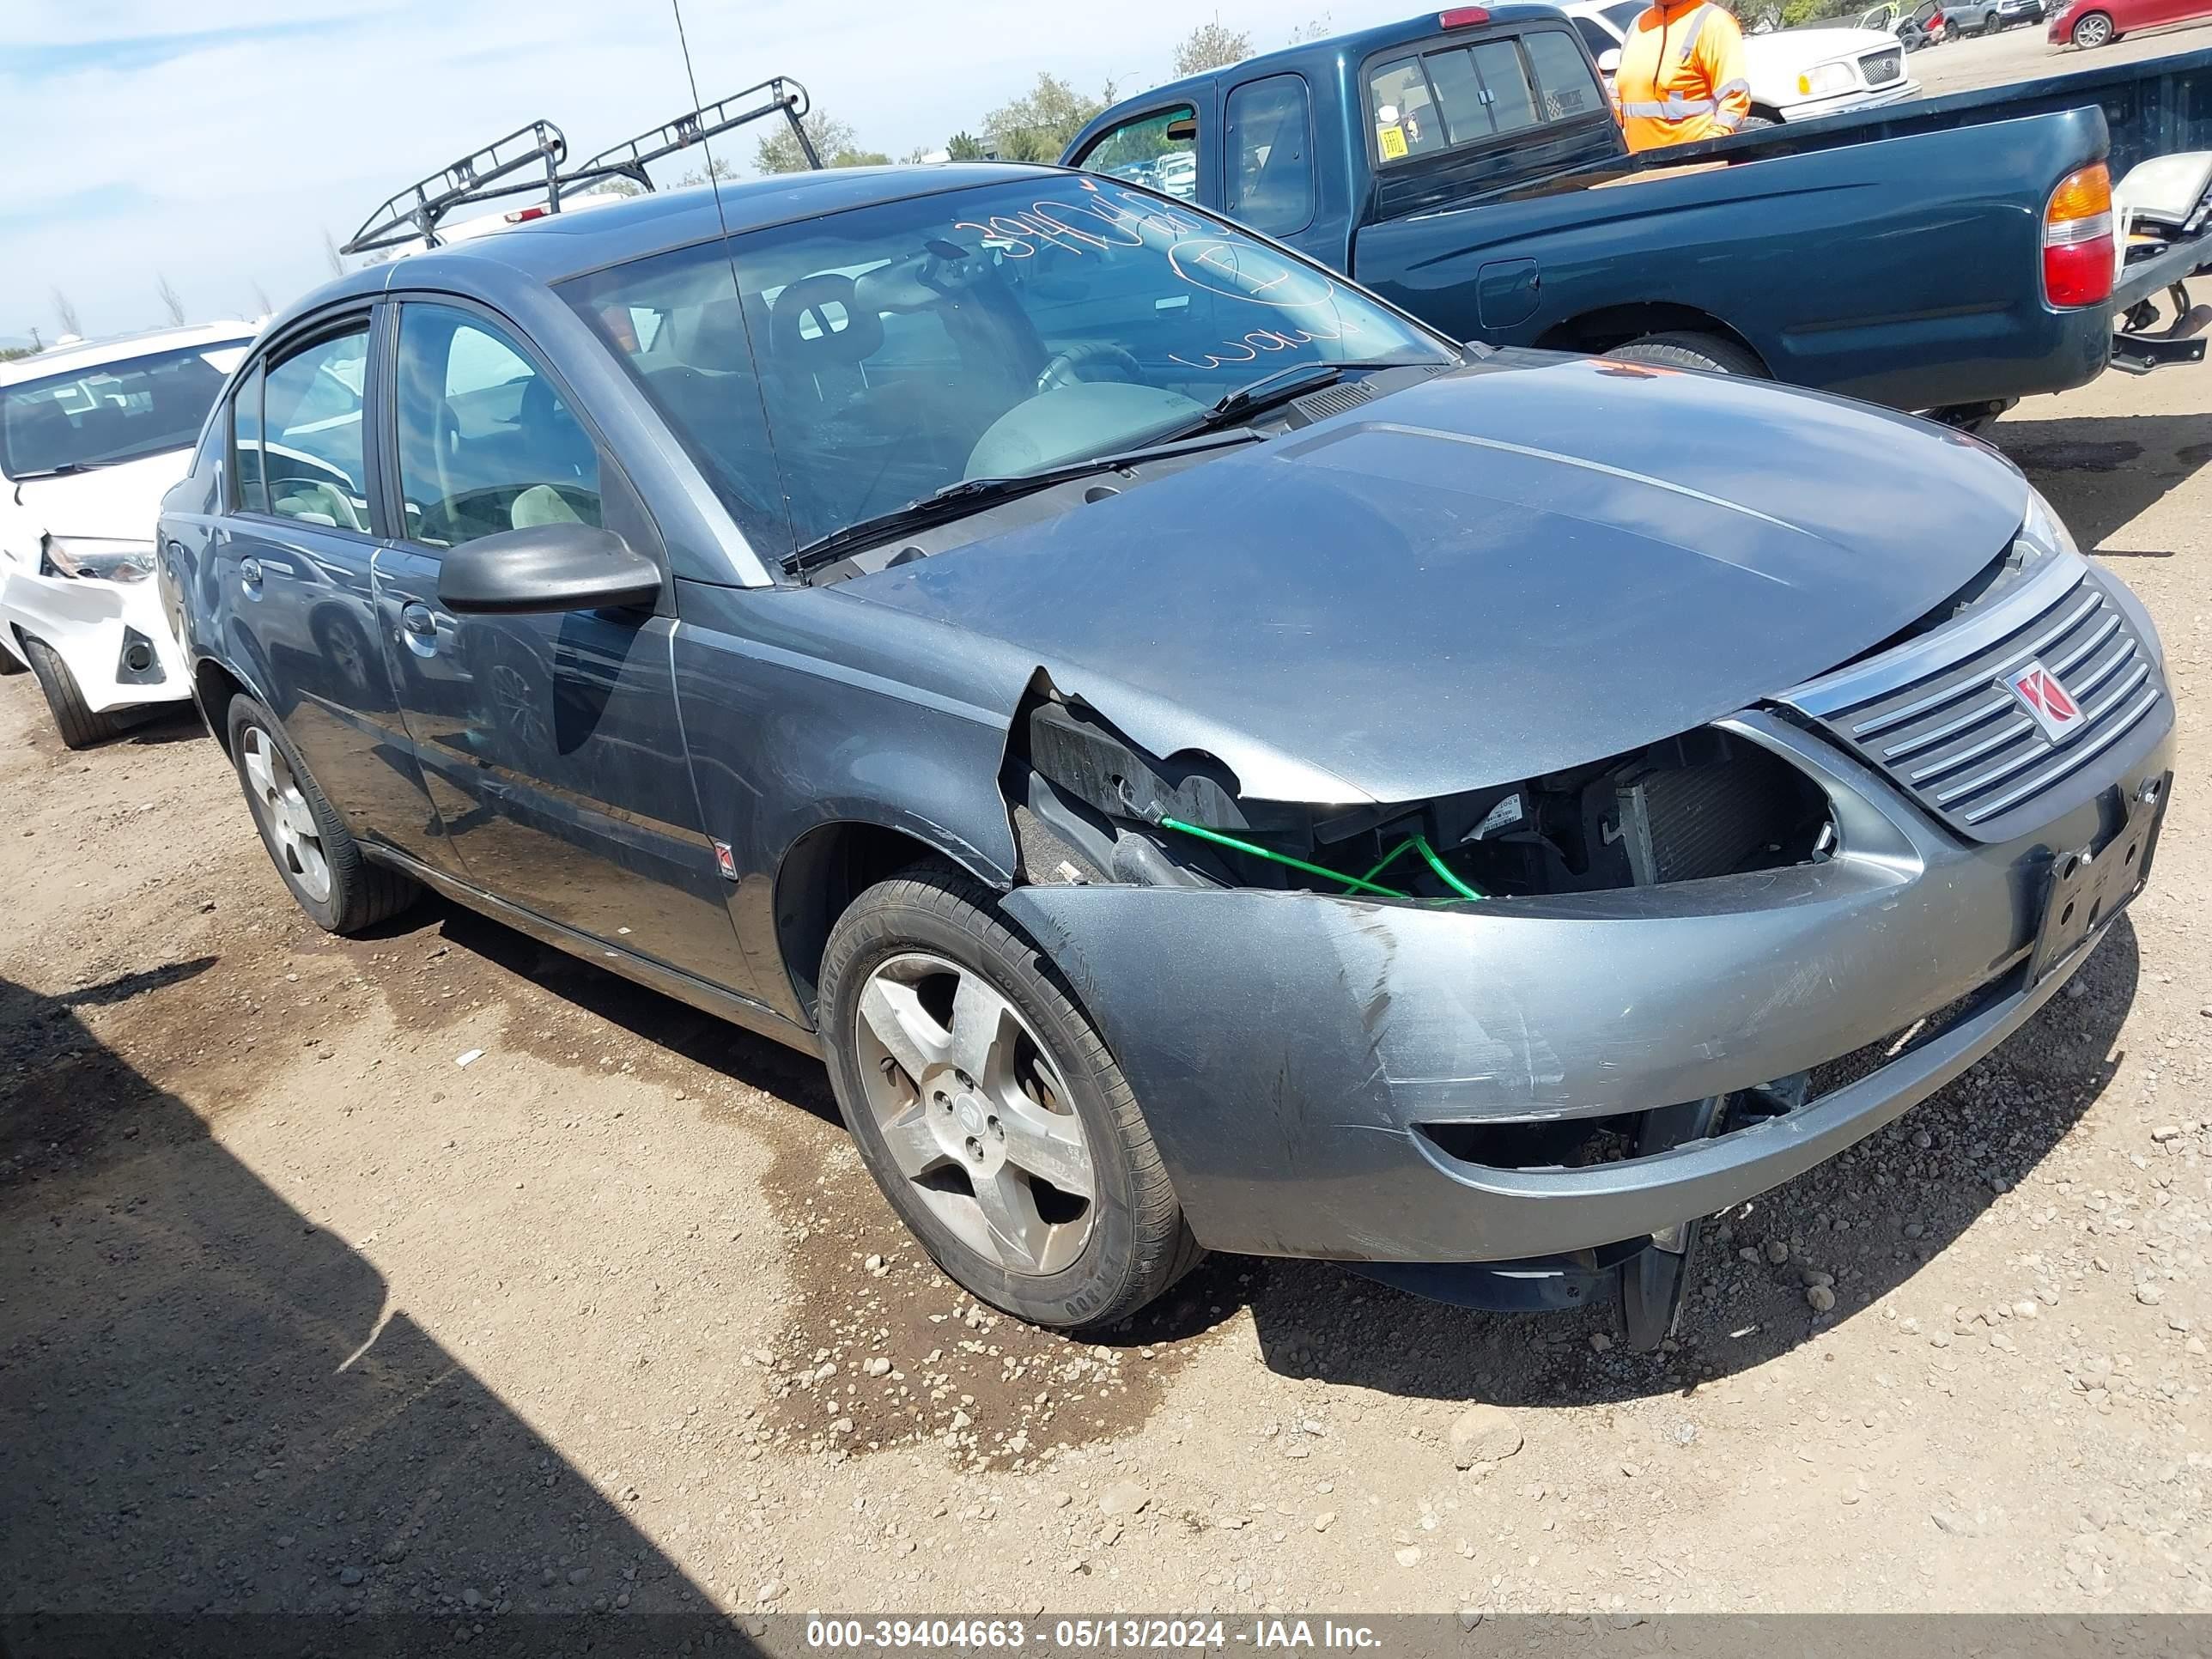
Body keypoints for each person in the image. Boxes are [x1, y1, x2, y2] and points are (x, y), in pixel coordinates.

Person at [1611, 0, 1753, 154]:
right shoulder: (1637, 24)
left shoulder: (1714, 22)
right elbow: (1617, 96)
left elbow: (1734, 99)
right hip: (1641, 170)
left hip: (1692, 167)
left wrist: (1706, 150)